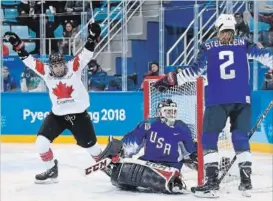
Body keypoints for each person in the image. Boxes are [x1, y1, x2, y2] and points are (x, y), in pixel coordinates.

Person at [167, 14, 273, 197]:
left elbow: (194, 71)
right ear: (234, 29)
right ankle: (246, 183)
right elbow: (267, 56)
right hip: (242, 99)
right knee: (240, 137)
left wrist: (172, 80)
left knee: (209, 138)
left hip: (217, 99)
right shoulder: (244, 44)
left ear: (218, 29)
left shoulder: (207, 46)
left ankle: (211, 184)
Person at [4, 22, 102, 184]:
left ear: (64, 63)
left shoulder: (73, 67)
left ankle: (111, 167)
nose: (57, 69)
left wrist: (92, 37)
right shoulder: (46, 71)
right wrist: (17, 45)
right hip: (57, 116)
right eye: (54, 66)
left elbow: (86, 54)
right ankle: (51, 168)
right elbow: (28, 60)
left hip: (79, 116)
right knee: (41, 143)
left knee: (92, 148)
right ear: (51, 66)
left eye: (59, 65)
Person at [96, 99, 198, 194]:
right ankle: (115, 169)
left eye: (173, 111)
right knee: (120, 173)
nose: (171, 114)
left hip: (170, 167)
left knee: (170, 177)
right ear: (160, 113)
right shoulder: (148, 124)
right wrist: (120, 150)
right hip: (148, 163)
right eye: (168, 111)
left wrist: (196, 159)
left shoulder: (181, 127)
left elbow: (189, 152)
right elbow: (133, 142)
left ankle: (175, 182)